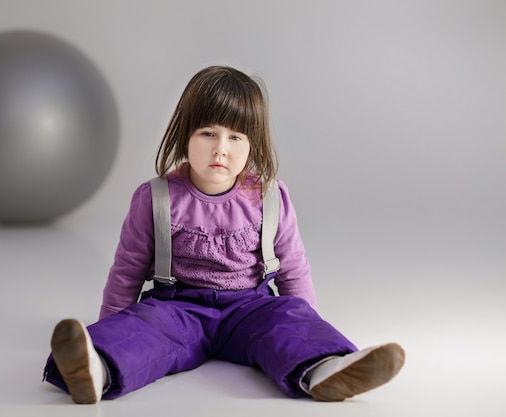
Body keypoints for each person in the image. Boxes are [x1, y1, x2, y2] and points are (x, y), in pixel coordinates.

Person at [42, 65, 405, 404]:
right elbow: (128, 269)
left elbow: (293, 266)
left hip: (250, 306)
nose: (221, 148)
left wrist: (309, 325)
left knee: (287, 318)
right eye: (208, 133)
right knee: (145, 328)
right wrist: (112, 327)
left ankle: (326, 368)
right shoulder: (156, 197)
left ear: (252, 145)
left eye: (236, 137)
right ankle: (95, 365)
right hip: (178, 307)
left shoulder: (268, 197)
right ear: (185, 135)